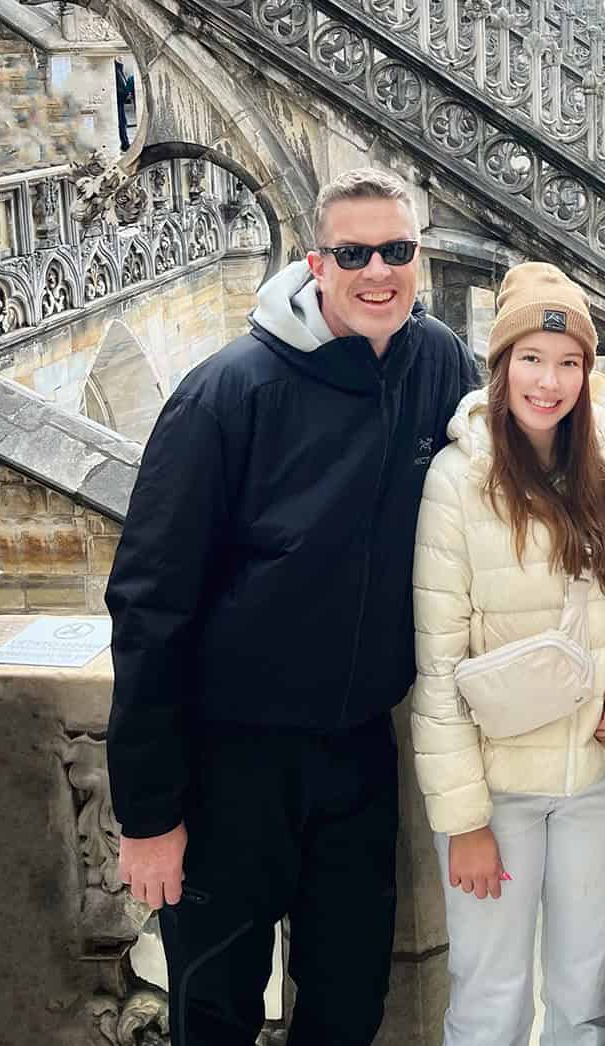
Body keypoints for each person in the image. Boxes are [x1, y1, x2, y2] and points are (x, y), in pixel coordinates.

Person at [106, 166, 478, 1046]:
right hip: (227, 762)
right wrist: (149, 814)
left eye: (396, 250)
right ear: (317, 262)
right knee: (217, 1013)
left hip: (355, 754)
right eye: (355, 253)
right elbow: (149, 608)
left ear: (418, 257)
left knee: (348, 1011)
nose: (378, 270)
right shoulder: (226, 393)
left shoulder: (442, 368)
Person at [411, 262, 605, 1046]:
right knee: (490, 998)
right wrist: (465, 821)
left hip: (597, 775)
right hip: (498, 788)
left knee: (585, 996)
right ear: (502, 363)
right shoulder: (458, 479)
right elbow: (438, 665)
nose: (549, 382)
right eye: (531, 359)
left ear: (587, 369)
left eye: (568, 362)